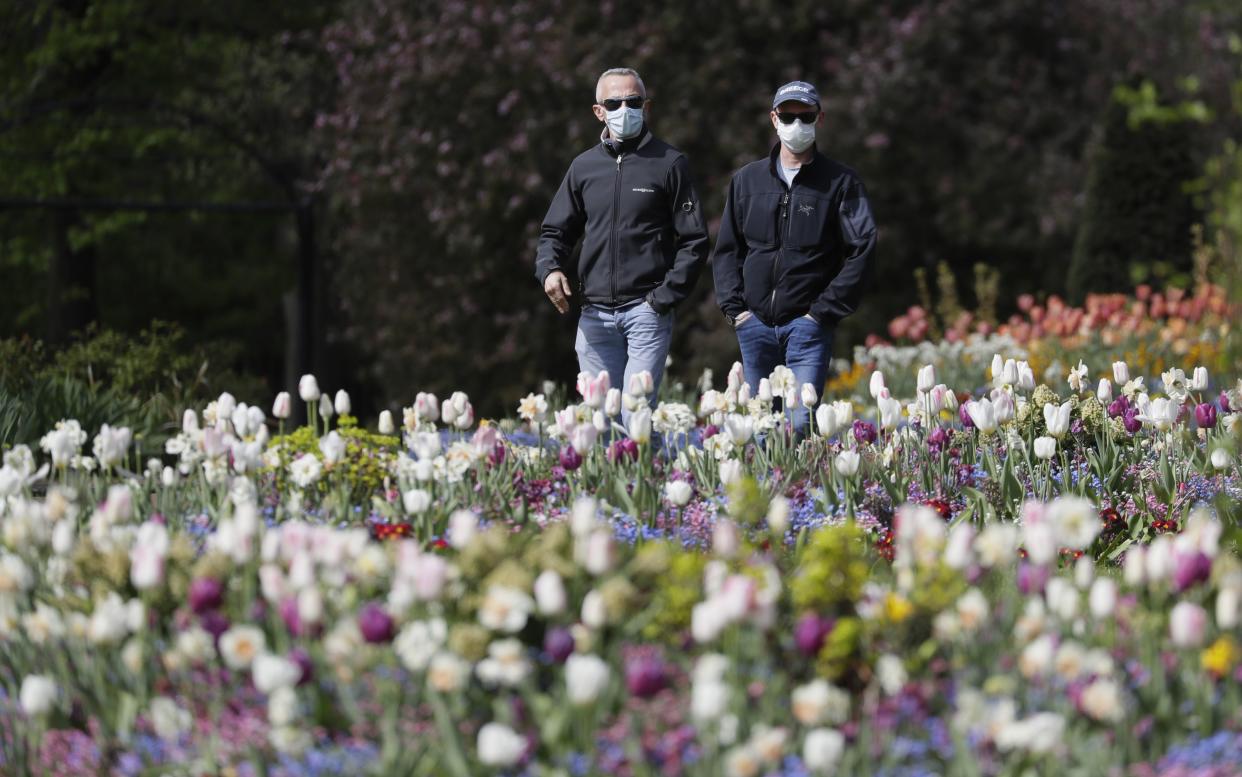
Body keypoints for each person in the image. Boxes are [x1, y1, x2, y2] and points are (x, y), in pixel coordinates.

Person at [536, 67, 708, 413]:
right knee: (600, 424)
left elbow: (695, 241)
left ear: (647, 107)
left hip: (646, 312)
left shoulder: (670, 163)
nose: (624, 109)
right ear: (598, 111)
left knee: (636, 416)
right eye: (614, 103)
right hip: (594, 316)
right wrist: (549, 269)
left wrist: (662, 298)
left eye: (633, 101)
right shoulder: (583, 167)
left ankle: (654, 470)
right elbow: (555, 231)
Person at [711, 80, 877, 433]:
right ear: (774, 119)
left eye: (806, 116)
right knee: (761, 427)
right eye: (788, 116)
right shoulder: (747, 180)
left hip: (808, 328)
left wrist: (821, 313)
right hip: (753, 325)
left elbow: (863, 247)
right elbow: (727, 249)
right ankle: (768, 489)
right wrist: (736, 310)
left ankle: (800, 488)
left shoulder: (841, 182)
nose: (797, 124)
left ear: (820, 118)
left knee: (800, 422)